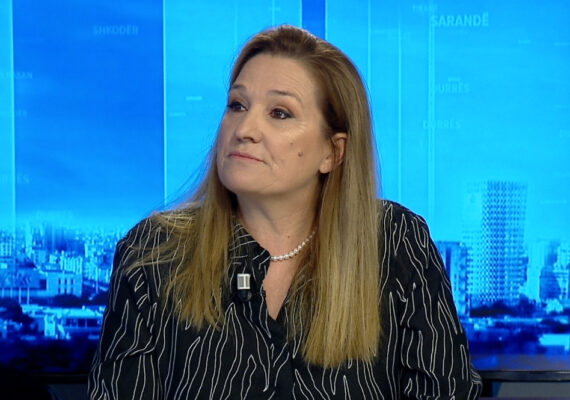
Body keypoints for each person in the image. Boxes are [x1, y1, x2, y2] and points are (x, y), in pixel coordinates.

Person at [88, 25, 482, 399]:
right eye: (237, 105)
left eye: (279, 113)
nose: (244, 128)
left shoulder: (394, 242)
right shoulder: (155, 252)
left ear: (333, 152)